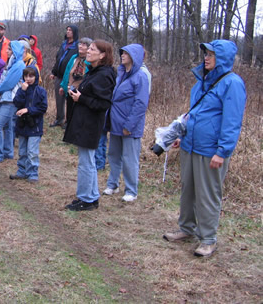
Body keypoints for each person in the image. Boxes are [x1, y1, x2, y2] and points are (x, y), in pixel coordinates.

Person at [163, 40, 246, 258]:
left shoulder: (232, 84)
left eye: (212, 54)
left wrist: (222, 151)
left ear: (223, 58)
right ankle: (186, 228)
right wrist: (182, 136)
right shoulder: (202, 81)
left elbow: (232, 121)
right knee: (187, 189)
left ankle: (208, 239)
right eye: (206, 54)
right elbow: (194, 114)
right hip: (190, 146)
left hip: (211, 150)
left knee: (208, 194)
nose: (206, 58)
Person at [63, 40, 116, 211]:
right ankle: (91, 197)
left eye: (93, 49)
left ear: (102, 55)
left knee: (86, 162)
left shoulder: (104, 75)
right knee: (88, 161)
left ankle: (86, 199)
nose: (88, 51)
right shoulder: (95, 72)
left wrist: (81, 98)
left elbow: (103, 104)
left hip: (90, 124)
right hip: (85, 122)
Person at [103, 44, 150, 202]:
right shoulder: (121, 73)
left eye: (126, 53)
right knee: (114, 155)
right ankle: (113, 184)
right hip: (116, 123)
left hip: (130, 127)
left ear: (134, 56)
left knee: (130, 159)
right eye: (122, 53)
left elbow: (141, 104)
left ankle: (131, 190)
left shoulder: (141, 76)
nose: (122, 55)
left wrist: (129, 126)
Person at [0, 41, 25, 164]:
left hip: (10, 100)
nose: (7, 51)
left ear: (16, 51)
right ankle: (8, 152)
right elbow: (3, 79)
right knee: (7, 127)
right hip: (5, 99)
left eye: (10, 49)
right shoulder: (10, 64)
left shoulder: (19, 65)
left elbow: (9, 83)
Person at [9, 67, 48, 183]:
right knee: (22, 151)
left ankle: (33, 173)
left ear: (36, 77)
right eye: (26, 76)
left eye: (31, 76)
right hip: (22, 125)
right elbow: (17, 102)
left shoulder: (41, 91)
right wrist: (22, 91)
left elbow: (43, 108)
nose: (28, 79)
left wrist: (28, 110)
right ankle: (22, 171)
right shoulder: (21, 90)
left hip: (34, 126)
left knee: (32, 152)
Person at [50, 25, 79, 128]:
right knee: (59, 99)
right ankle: (59, 119)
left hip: (71, 78)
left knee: (70, 100)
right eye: (67, 30)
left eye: (70, 30)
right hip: (59, 76)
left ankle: (68, 122)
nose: (68, 32)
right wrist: (53, 72)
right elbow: (58, 59)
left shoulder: (77, 46)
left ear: (74, 32)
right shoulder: (63, 45)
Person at [59, 37, 92, 124]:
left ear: (89, 48)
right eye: (80, 44)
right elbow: (67, 72)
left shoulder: (90, 61)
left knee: (78, 116)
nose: (81, 46)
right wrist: (63, 86)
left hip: (82, 93)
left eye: (84, 45)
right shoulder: (74, 57)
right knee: (69, 113)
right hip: (70, 89)